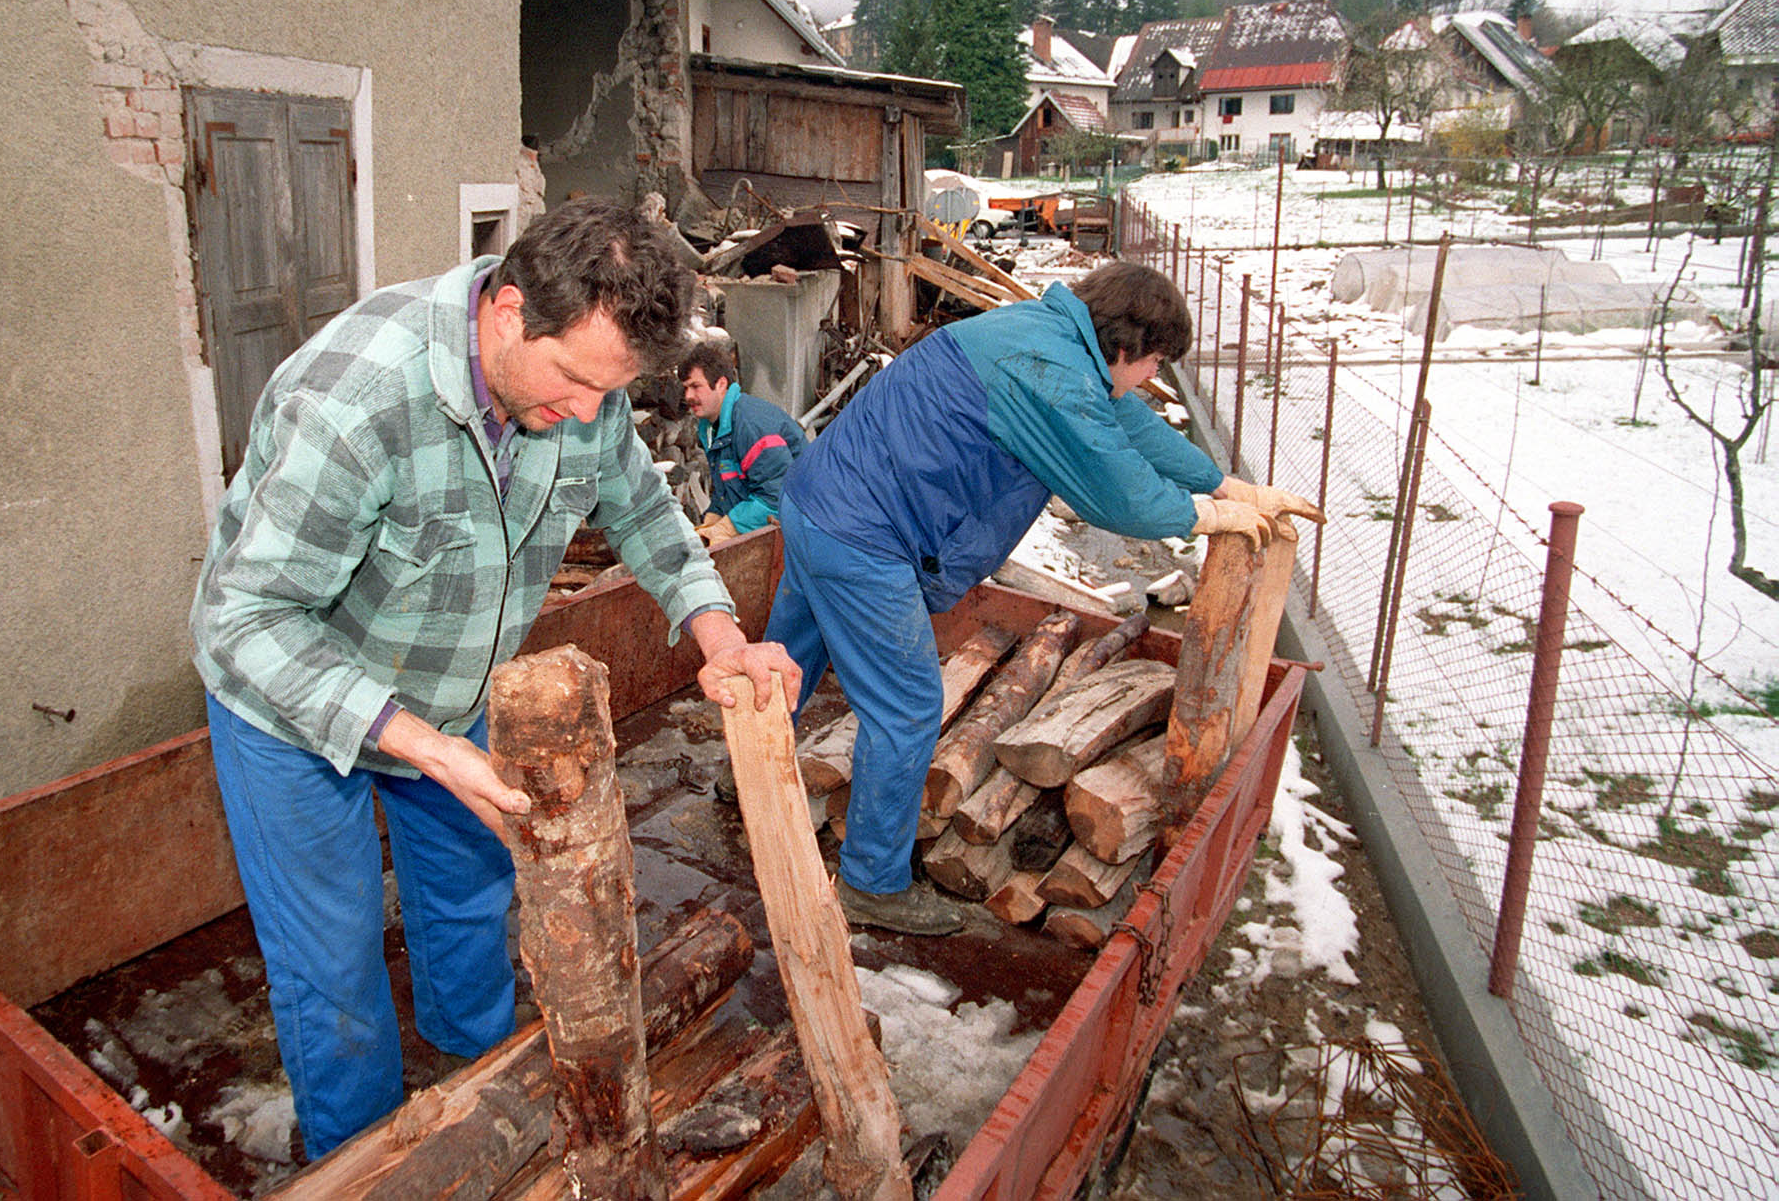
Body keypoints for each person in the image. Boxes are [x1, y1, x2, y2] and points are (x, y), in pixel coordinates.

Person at [189, 198, 799, 1159]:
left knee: (470, 900)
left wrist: (721, 637)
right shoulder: (358, 401)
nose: (589, 416)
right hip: (290, 708)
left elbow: (644, 513)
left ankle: (479, 1091)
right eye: (572, 383)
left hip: (447, 691)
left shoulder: (579, 389)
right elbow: (245, 621)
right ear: (509, 311)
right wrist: (427, 749)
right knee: (334, 965)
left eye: (613, 393)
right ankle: (361, 1163)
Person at [764, 261, 1320, 935]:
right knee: (908, 708)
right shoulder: (1053, 373)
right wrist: (1200, 516)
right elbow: (1114, 490)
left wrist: (1227, 487)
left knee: (791, 654)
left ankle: (747, 779)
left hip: (819, 502)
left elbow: (1128, 428)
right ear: (1123, 346)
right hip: (862, 539)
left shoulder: (1049, 336)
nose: (1152, 377)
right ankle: (872, 886)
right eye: (1154, 363)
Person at [680, 337, 806, 545]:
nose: (688, 396)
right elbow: (728, 491)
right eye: (685, 388)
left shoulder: (752, 426)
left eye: (695, 386)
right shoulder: (714, 428)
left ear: (721, 384)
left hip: (804, 530)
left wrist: (728, 527)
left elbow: (778, 497)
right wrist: (714, 517)